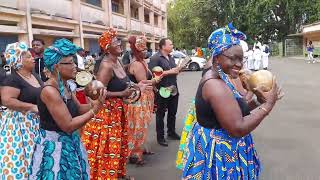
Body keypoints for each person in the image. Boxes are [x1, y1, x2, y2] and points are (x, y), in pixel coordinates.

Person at [182, 23, 282, 179]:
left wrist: (257, 102)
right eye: (233, 58)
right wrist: (269, 105)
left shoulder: (223, 77)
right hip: (220, 153)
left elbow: (232, 110)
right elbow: (237, 128)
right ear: (216, 57)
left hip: (223, 147)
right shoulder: (215, 85)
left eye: (241, 59)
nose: (239, 64)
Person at [30, 38, 105, 179]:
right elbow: (68, 125)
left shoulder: (67, 85)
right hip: (54, 148)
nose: (75, 66)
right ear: (57, 66)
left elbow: (79, 109)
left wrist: (96, 102)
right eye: (71, 63)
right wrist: (95, 110)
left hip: (70, 142)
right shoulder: (50, 91)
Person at [81, 28, 150, 180]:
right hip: (106, 114)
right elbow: (97, 92)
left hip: (119, 112)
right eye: (115, 42)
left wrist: (138, 86)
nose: (120, 44)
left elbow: (124, 82)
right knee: (107, 149)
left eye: (119, 40)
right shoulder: (106, 66)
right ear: (107, 47)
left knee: (119, 146)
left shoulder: (117, 61)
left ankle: (117, 175)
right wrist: (121, 94)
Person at [0, 42, 43, 179]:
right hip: (20, 125)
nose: (33, 58)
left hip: (35, 123)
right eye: (29, 56)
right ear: (19, 59)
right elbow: (7, 100)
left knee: (37, 157)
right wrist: (31, 107)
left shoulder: (34, 75)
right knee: (23, 158)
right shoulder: (12, 78)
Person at [126, 35, 158, 166]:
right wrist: (156, 80)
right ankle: (135, 155)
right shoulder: (137, 64)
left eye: (146, 49)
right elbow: (143, 82)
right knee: (138, 127)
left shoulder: (143, 62)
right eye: (143, 49)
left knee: (143, 126)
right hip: (138, 100)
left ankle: (141, 149)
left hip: (145, 98)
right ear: (137, 51)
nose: (146, 51)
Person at [149, 38, 181, 146]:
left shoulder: (171, 57)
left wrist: (178, 70)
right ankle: (160, 137)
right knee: (160, 114)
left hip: (173, 88)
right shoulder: (155, 58)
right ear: (163, 46)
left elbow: (174, 70)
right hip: (162, 90)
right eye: (170, 44)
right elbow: (154, 74)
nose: (172, 46)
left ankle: (171, 132)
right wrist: (170, 71)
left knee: (173, 112)